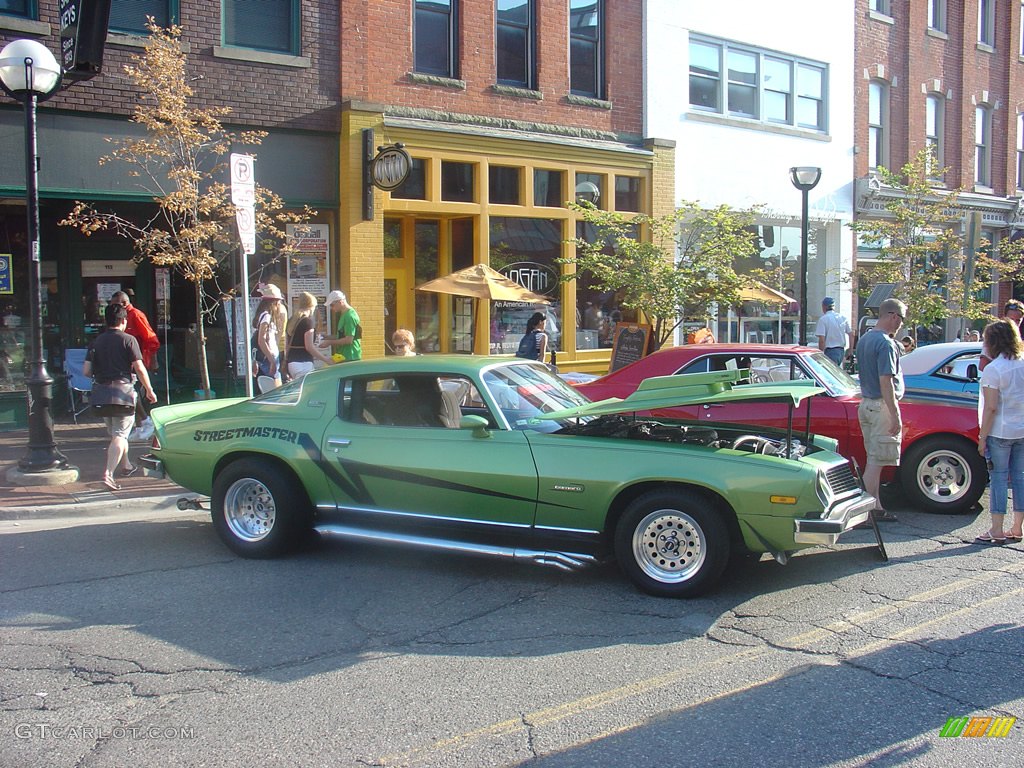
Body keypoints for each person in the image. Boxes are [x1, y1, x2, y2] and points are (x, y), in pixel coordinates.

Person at [83, 303, 157, 491]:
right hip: (123, 394)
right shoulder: (129, 340)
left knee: (117, 435)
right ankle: (108, 473)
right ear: (124, 321)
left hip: (102, 395)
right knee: (120, 435)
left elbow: (86, 371)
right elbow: (139, 368)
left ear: (106, 321)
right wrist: (149, 389)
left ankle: (126, 465)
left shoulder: (96, 342)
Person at [856, 297, 907, 523]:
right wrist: (895, 414)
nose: (902, 324)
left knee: (872, 459)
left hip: (866, 404)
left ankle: (876, 507)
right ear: (893, 316)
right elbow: (886, 381)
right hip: (881, 405)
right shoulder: (885, 343)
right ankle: (863, 512)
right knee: (876, 463)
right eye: (902, 319)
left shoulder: (864, 339)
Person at [974, 320, 1024, 544]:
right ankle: (1017, 527)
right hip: (1021, 429)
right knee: (1020, 478)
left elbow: (991, 407)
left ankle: (996, 528)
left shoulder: (993, 369)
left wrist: (982, 437)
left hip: (1000, 431)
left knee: (999, 479)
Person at [111, 290, 159, 442]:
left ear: (124, 304)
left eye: (115, 305)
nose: (113, 309)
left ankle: (145, 421)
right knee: (132, 391)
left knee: (133, 391)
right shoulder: (124, 316)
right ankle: (140, 427)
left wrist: (151, 359)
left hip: (137, 359)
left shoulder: (136, 315)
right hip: (128, 359)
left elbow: (151, 339)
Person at [285, 291, 332, 380]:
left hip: (292, 363)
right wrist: (326, 359)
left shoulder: (292, 320)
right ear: (311, 306)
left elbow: (287, 344)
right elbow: (309, 347)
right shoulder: (308, 322)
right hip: (304, 363)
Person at [253, 284, 285, 387]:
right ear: (274, 303)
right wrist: (272, 360)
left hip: (267, 356)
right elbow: (261, 340)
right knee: (274, 387)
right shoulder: (267, 316)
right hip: (269, 357)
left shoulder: (263, 315)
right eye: (278, 302)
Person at [981, 300, 1024, 370]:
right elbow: (983, 366)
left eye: (1018, 320)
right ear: (1004, 317)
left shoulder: (1021, 338)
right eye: (1011, 319)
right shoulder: (995, 337)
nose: (1014, 323)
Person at [815, 296, 854, 367]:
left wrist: (820, 354)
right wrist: (851, 350)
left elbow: (822, 340)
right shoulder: (842, 318)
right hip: (841, 351)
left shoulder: (823, 319)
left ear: (824, 307)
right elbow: (851, 334)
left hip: (830, 351)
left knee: (828, 374)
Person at [324, 290, 362, 362]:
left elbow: (349, 340)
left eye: (332, 305)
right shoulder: (345, 314)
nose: (331, 308)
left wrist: (329, 342)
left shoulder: (349, 316)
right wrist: (328, 337)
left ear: (340, 302)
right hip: (345, 356)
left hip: (350, 356)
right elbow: (342, 336)